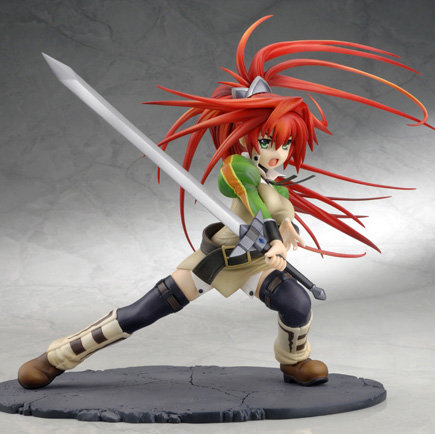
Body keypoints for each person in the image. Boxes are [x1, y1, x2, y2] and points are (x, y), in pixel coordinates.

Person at [17, 16, 432, 389]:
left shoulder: (276, 183)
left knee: (297, 303)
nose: (277, 153)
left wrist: (285, 236)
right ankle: (57, 358)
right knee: (143, 312)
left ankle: (294, 361)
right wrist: (272, 236)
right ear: (250, 137)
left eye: (285, 144)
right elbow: (251, 198)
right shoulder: (239, 167)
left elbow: (279, 210)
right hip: (218, 258)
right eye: (268, 141)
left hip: (255, 264)